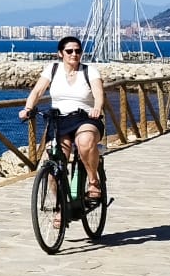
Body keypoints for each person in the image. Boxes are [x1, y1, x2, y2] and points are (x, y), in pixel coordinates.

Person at [17, 36, 107, 199]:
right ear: (60, 53)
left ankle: (93, 181)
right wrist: (28, 108)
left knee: (84, 142)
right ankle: (61, 208)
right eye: (69, 51)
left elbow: (99, 95)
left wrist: (97, 108)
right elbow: (37, 91)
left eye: (78, 51)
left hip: (85, 118)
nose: (74, 54)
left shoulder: (90, 71)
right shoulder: (52, 69)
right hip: (59, 120)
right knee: (55, 164)